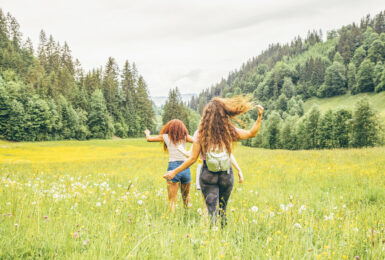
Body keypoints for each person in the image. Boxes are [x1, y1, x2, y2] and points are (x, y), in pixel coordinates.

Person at [164, 96, 264, 226]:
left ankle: (212, 237)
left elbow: (192, 159)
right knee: (223, 209)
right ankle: (222, 234)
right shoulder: (228, 131)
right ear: (224, 114)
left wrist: (174, 172)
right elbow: (251, 133)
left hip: (208, 174)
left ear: (206, 115)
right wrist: (259, 117)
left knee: (211, 210)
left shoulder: (200, 133)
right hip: (226, 174)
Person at [144, 119, 194, 212]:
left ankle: (170, 221)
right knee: (186, 198)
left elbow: (149, 139)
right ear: (182, 128)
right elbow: (197, 142)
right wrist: (189, 153)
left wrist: (147, 133)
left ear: (169, 128)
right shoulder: (185, 136)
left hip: (173, 167)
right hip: (185, 167)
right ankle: (188, 215)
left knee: (172, 201)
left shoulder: (165, 137)